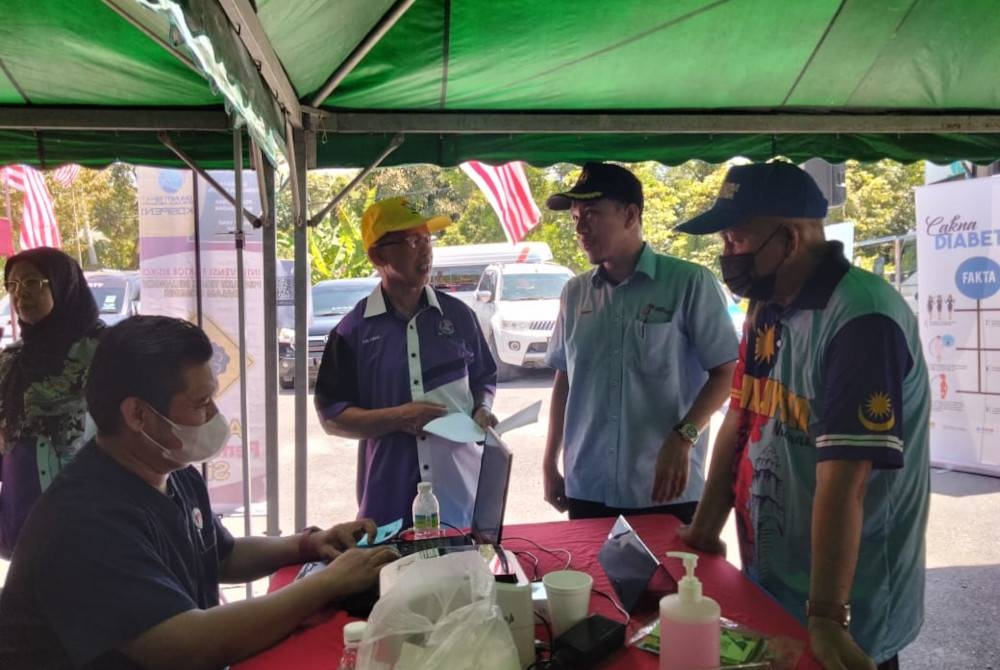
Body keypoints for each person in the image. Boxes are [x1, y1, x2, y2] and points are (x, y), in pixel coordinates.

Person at [0, 316, 397, 670]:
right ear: (137, 414)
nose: (214, 417)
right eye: (200, 403)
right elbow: (187, 646)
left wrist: (308, 545)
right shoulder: (84, 520)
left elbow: (220, 555)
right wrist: (324, 585)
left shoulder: (171, 470)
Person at [675, 162, 930, 670]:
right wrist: (704, 529)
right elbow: (742, 417)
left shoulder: (862, 320)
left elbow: (847, 481)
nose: (727, 254)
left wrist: (828, 618)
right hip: (777, 583)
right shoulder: (766, 305)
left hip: (849, 605)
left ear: (789, 239)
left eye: (736, 239)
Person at [542, 162, 739, 524]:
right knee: (591, 582)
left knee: (676, 582)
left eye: (592, 214)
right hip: (588, 486)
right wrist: (549, 461)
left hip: (664, 487)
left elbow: (728, 373)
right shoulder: (574, 293)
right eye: (575, 217)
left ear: (631, 215)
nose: (580, 227)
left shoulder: (689, 283)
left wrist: (685, 436)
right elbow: (565, 380)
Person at [314, 197, 498, 528]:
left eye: (428, 239)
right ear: (378, 256)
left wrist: (482, 408)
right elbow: (332, 416)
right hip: (389, 502)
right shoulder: (351, 332)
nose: (425, 251)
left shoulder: (460, 317)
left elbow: (484, 378)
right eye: (412, 241)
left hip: (462, 496)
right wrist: (397, 418)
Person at [0, 247, 102, 558]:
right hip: (24, 502)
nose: (20, 295)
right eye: (12, 285)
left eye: (32, 283)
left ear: (61, 284)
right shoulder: (11, 359)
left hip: (88, 505)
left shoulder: (103, 351)